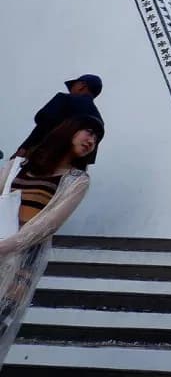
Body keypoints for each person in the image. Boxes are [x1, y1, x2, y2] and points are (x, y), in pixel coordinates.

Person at [0, 117, 101, 360]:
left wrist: (6, 246)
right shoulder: (18, 165)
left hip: (22, 261)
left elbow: (49, 224)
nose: (92, 141)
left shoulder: (77, 180)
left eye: (96, 139)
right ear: (68, 130)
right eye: (88, 132)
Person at [16, 75, 104, 164]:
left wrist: (24, 148)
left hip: (40, 157)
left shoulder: (65, 99)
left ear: (82, 86)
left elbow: (43, 123)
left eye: (73, 85)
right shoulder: (99, 121)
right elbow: (88, 156)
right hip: (65, 168)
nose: (70, 90)